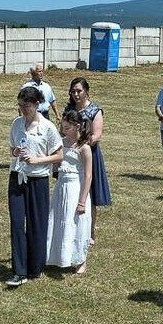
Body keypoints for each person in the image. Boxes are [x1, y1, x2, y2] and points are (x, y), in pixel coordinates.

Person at [6, 86, 63, 286]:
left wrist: (38, 160)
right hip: (18, 177)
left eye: (26, 105)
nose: (23, 109)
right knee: (16, 222)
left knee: (36, 224)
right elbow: (12, 148)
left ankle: (35, 267)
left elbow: (59, 155)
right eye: (20, 105)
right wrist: (16, 152)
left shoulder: (47, 127)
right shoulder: (17, 124)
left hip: (38, 179)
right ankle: (19, 270)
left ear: (37, 104)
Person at [65, 77, 111, 245]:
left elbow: (96, 136)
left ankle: (90, 231)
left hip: (89, 154)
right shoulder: (69, 110)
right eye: (73, 91)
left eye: (79, 91)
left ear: (86, 91)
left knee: (90, 192)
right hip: (71, 156)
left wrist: (80, 143)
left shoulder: (95, 110)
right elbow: (64, 129)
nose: (76, 94)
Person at [45, 110, 92, 274]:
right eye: (62, 127)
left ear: (77, 126)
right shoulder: (60, 143)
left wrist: (82, 201)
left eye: (67, 128)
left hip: (76, 188)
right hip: (61, 186)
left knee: (75, 222)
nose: (64, 131)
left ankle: (80, 259)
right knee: (58, 219)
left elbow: (88, 175)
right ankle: (57, 256)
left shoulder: (84, 148)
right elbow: (56, 162)